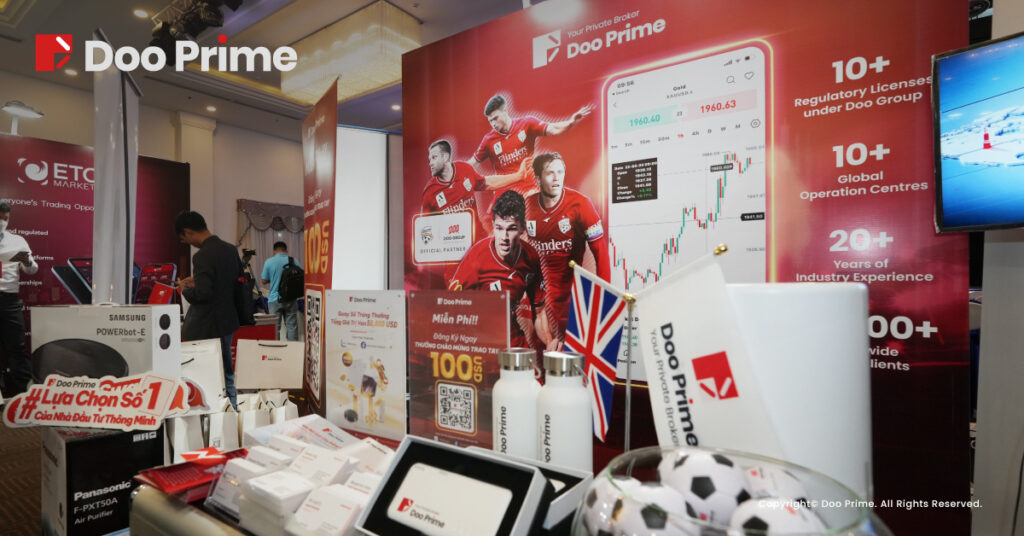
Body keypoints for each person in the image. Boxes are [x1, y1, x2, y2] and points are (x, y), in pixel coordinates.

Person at [524, 153, 610, 350]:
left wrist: (604, 298)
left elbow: (601, 254)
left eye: (560, 172)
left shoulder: (581, 204)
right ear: (538, 179)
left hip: (571, 300)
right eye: (550, 173)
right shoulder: (527, 206)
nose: (557, 178)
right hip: (539, 302)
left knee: (573, 357)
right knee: (544, 356)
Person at [448, 191, 550, 348]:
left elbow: (540, 313)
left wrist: (550, 342)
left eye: (511, 228)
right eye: (499, 228)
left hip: (512, 341)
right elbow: (450, 307)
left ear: (522, 228)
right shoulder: (478, 255)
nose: (504, 237)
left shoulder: (531, 257)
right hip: (482, 344)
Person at [174, 210, 242, 407]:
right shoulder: (230, 249)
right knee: (227, 370)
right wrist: (198, 281)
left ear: (188, 231)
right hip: (228, 320)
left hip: (207, 325)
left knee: (205, 374)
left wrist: (185, 289)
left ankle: (214, 411)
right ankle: (232, 409)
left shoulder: (202, 256)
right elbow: (234, 281)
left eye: (184, 239)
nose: (188, 243)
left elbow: (203, 294)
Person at [469, 94, 592, 195]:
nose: (493, 124)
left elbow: (553, 129)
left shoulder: (526, 124)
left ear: (505, 111)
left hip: (528, 189)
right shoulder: (489, 140)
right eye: (490, 121)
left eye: (495, 118)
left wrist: (571, 122)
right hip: (505, 194)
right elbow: (470, 165)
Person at [420, 139, 533, 241]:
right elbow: (425, 227)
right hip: (453, 247)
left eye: (434, 158)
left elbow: (487, 183)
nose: (430, 163)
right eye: (429, 159)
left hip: (478, 240)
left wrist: (518, 176)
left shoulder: (464, 169)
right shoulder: (430, 192)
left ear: (445, 157)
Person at [0, 202, 37, 396]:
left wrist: (27, 260)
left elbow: (31, 270)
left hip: (9, 300)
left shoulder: (17, 241)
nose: (2, 222)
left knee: (17, 348)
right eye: (0, 218)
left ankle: (26, 395)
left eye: (5, 218)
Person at [261, 241, 300, 341]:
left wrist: (273, 278)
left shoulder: (269, 262)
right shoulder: (294, 261)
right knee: (292, 327)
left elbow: (263, 280)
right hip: (291, 298)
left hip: (274, 299)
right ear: (286, 250)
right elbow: (300, 277)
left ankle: (276, 349)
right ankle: (293, 349)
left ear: (274, 251)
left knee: (275, 328)